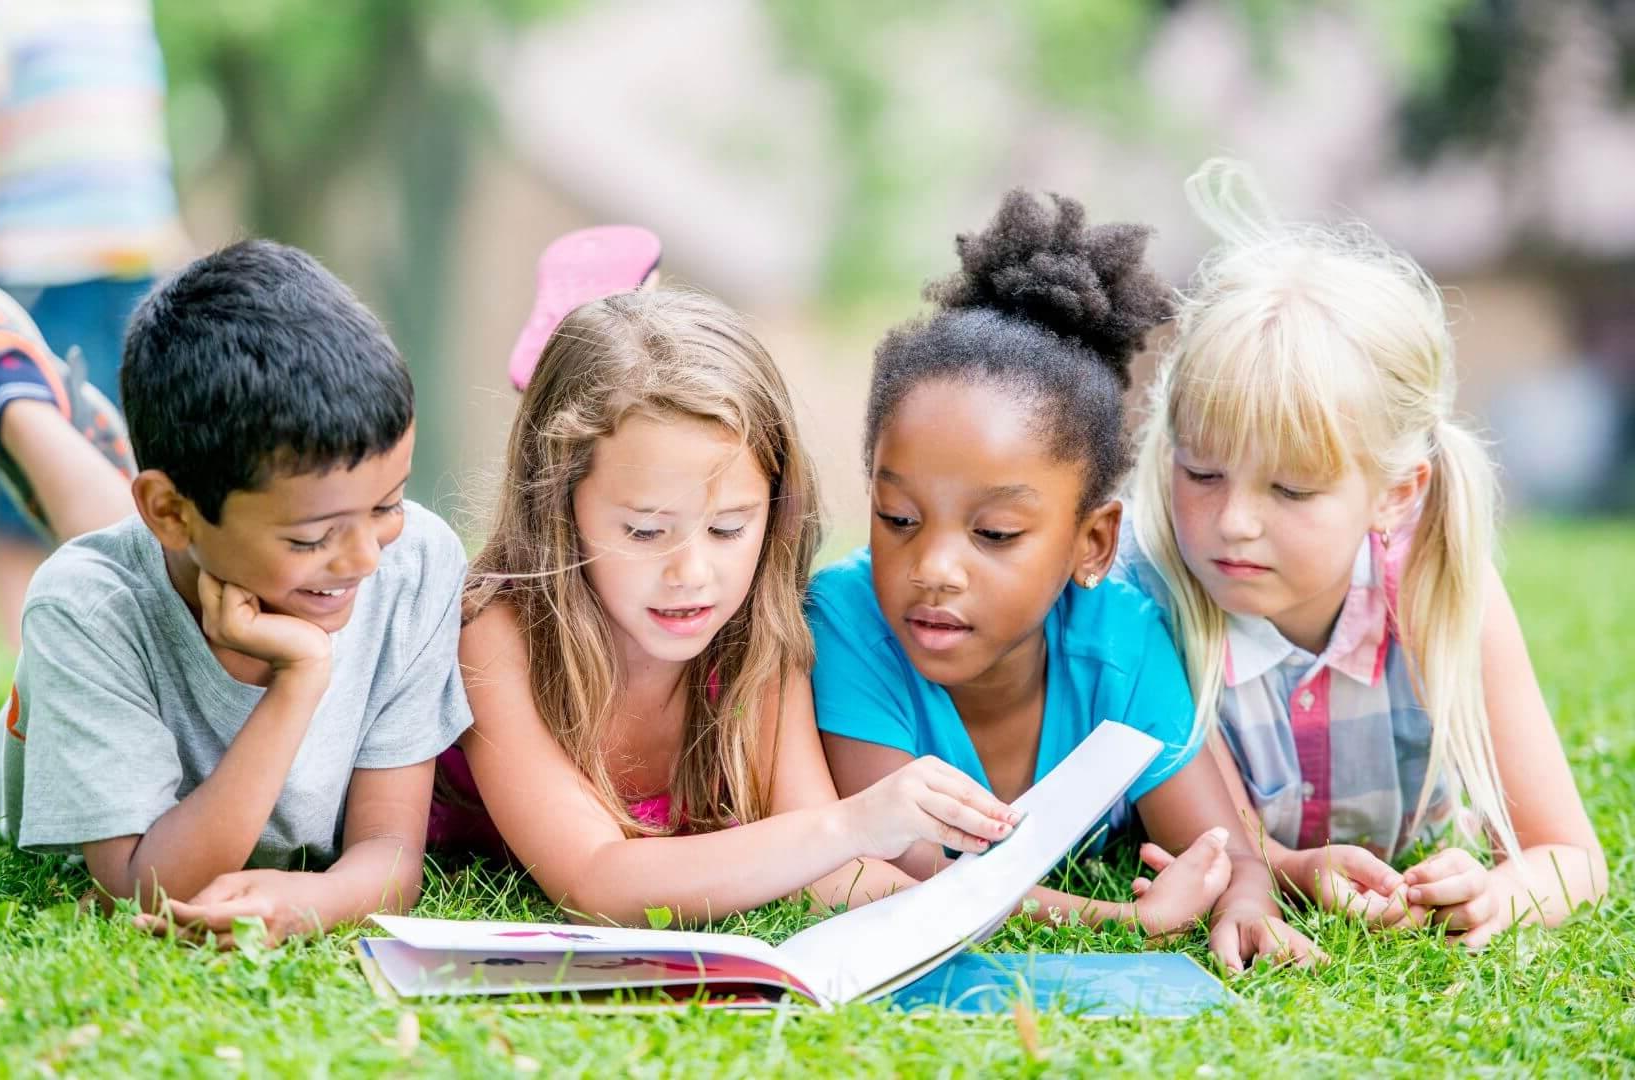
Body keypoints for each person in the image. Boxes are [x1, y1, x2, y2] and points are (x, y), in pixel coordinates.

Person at [809, 189, 1320, 972]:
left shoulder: (1123, 641)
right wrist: (1121, 920)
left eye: (995, 534)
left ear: (1092, 543)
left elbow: (1224, 849)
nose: (935, 569)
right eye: (898, 518)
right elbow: (921, 874)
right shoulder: (846, 624)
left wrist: (1246, 901)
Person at [0, 240, 468, 946]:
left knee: (136, 537)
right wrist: (298, 680)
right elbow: (143, 888)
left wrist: (321, 900)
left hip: (178, 527)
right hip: (144, 558)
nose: (363, 560)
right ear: (172, 510)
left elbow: (390, 851)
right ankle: (13, 399)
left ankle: (84, 442)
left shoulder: (415, 561)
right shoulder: (85, 609)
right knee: (119, 561)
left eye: (387, 504)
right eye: (311, 537)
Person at [1117, 160, 1609, 950]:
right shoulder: (1149, 597)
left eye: (1291, 491)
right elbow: (1228, 853)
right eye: (1202, 472)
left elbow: (1570, 857)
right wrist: (1296, 870)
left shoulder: (1439, 585)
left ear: (1395, 491)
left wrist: (1497, 896)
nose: (1233, 522)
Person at [436, 286, 1023, 926]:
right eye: (645, 532)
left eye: (727, 529)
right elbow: (594, 881)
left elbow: (824, 871)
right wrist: (852, 823)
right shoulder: (499, 635)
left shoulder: (755, 637)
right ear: (559, 506)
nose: (691, 574)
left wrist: (1069, 912)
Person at [0, 0, 189, 646]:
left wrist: (180, 264)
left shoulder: (127, 14)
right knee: (32, 460)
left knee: (142, 461)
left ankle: (136, 646)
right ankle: (19, 659)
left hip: (138, 271)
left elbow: (143, 156)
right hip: (45, 271)